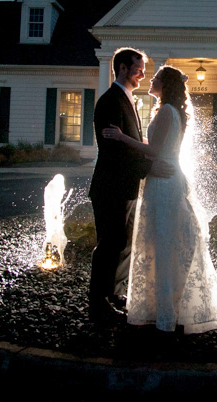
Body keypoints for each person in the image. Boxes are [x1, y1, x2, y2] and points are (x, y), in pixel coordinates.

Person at [103, 65, 217, 334]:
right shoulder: (173, 112)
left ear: (166, 85)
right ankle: (165, 307)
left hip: (163, 182)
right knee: (166, 243)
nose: (151, 79)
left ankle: (164, 314)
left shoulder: (166, 111)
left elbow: (153, 150)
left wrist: (121, 137)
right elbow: (159, 146)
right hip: (167, 178)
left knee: (162, 244)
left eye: (156, 77)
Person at [88, 47, 171, 322]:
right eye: (138, 68)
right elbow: (113, 150)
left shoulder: (129, 100)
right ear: (123, 68)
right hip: (110, 186)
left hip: (127, 185)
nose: (143, 74)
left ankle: (114, 294)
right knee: (109, 244)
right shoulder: (110, 101)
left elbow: (133, 145)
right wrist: (150, 167)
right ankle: (98, 303)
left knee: (123, 244)